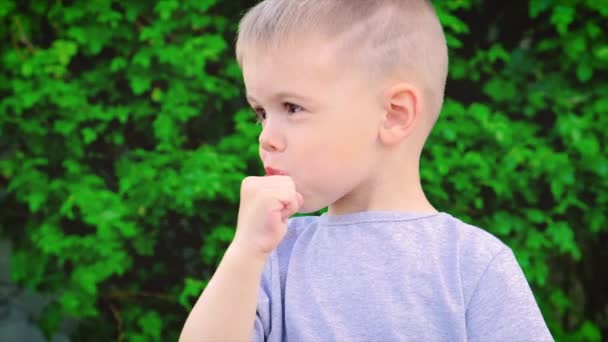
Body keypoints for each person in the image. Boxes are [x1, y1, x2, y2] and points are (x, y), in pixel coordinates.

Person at [179, 0, 553, 341]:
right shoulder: (274, 255)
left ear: (393, 115)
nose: (267, 138)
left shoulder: (471, 264)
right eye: (261, 113)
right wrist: (245, 252)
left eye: (292, 107)